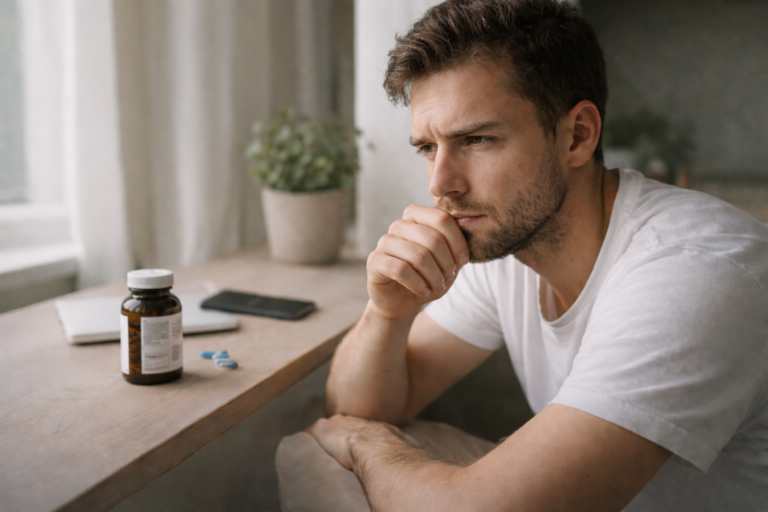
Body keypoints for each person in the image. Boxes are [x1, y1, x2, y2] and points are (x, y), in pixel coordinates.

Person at [276, 1, 768, 510]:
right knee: (316, 450)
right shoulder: (510, 242)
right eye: (427, 147)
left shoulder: (692, 271)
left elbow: (368, 435)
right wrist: (387, 312)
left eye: (477, 139)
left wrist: (365, 444)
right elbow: (359, 407)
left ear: (577, 136)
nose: (440, 183)